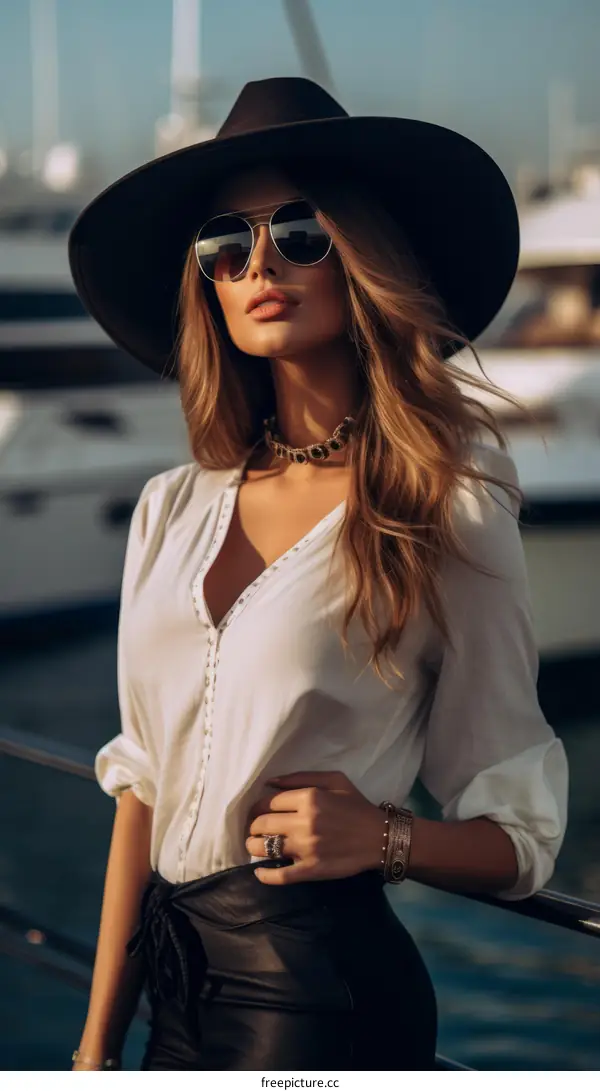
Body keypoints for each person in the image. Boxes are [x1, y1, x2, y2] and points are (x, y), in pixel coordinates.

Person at [68, 77, 568, 1072]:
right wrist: (91, 1051)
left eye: (300, 231)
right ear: (204, 277)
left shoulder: (446, 503)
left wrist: (388, 837)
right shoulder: (172, 508)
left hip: (319, 1003)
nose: (260, 263)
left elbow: (520, 834)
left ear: (363, 253)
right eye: (226, 242)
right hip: (171, 998)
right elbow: (144, 796)